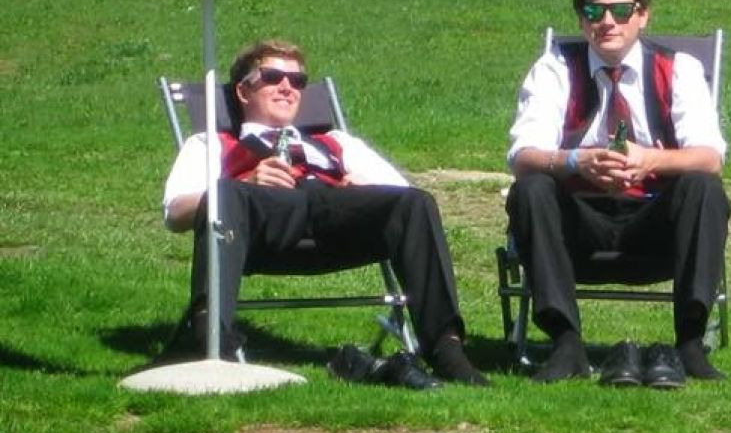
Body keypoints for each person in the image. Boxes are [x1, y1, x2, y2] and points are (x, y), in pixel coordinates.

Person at [162, 39, 487, 386]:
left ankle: (446, 349)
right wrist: (245, 182)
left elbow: (404, 197)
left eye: (297, 81)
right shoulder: (211, 144)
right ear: (243, 91)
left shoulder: (337, 142)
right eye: (272, 77)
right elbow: (176, 212)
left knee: (417, 203)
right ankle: (213, 342)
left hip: (336, 224)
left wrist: (360, 186)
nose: (287, 87)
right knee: (224, 193)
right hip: (262, 231)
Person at [506, 0, 731, 385]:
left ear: (642, 15)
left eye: (621, 11)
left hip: (654, 218)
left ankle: (690, 343)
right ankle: (566, 344)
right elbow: (522, 154)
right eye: (594, 11)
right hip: (579, 219)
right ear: (581, 19)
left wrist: (651, 160)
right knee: (531, 188)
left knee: (703, 188)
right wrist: (576, 161)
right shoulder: (554, 68)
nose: (607, 22)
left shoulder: (678, 69)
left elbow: (710, 156)